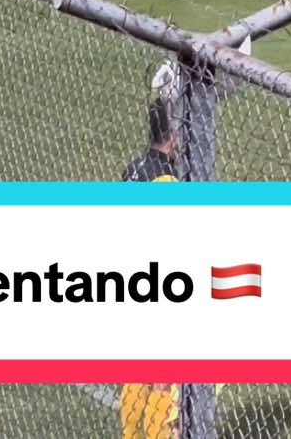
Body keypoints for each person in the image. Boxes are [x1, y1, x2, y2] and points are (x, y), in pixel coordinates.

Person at [120, 99, 179, 439]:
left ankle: (129, 436)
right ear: (173, 135)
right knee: (161, 377)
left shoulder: (133, 169)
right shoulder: (167, 181)